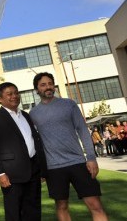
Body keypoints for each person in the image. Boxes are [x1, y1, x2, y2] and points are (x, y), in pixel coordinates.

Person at [30, 72, 108, 221]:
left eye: (50, 83)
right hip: (54, 168)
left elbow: (83, 130)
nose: (48, 87)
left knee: (95, 204)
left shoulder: (69, 104)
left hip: (78, 162)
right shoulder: (33, 113)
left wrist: (91, 157)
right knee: (61, 206)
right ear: (37, 89)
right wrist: (40, 169)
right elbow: (33, 142)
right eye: (43, 84)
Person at [0, 82, 47, 221]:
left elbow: (34, 140)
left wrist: (41, 168)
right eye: (9, 94)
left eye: (16, 92)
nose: (14, 96)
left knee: (33, 211)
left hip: (33, 172)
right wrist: (0, 173)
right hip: (11, 175)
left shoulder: (26, 115)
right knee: (14, 213)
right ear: (0, 99)